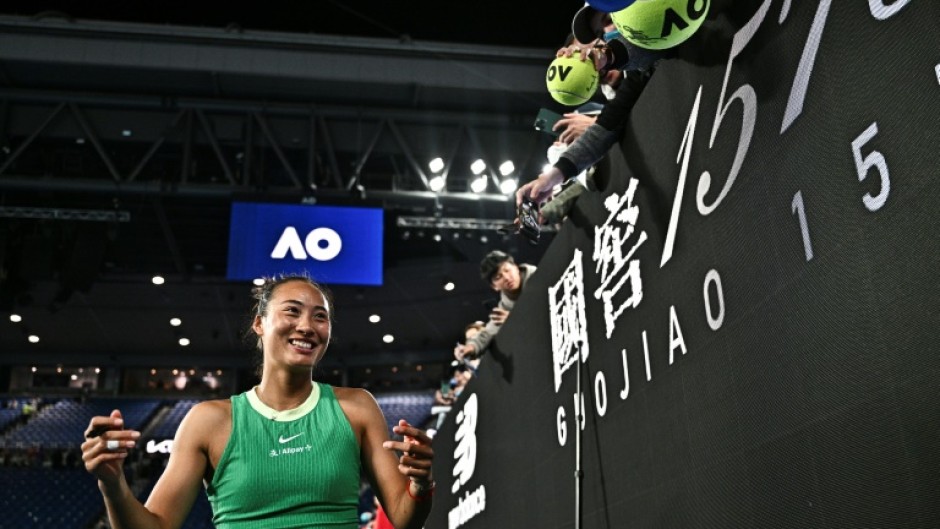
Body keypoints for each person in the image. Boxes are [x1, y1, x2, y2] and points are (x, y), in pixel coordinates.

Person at [81, 274, 435, 529]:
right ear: (260, 324)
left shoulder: (357, 407)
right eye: (292, 311)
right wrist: (112, 484)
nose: (308, 326)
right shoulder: (210, 421)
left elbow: (404, 519)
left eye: (320, 316)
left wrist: (419, 485)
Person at [518, 3, 668, 210]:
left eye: (609, 19)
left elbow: (653, 44)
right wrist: (553, 176)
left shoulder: (660, 30)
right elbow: (608, 125)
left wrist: (608, 55)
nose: (607, 33)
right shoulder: (634, 77)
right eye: (601, 30)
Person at [454, 251, 537, 359]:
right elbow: (488, 333)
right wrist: (470, 347)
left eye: (507, 270)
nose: (507, 277)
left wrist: (515, 318)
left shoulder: (541, 276)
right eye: (498, 277)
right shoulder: (503, 310)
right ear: (494, 287)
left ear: (516, 267)